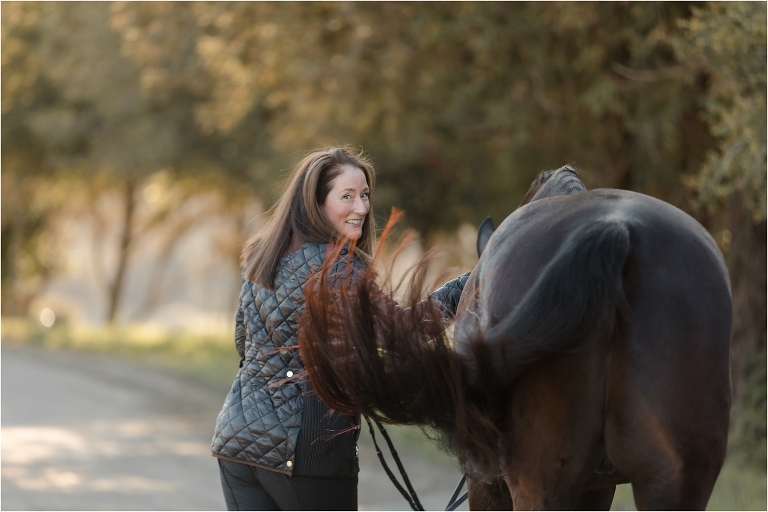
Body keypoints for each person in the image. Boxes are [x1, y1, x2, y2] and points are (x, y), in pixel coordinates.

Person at [211, 147, 469, 510]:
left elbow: (243, 342)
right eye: (346, 197)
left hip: (238, 441)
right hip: (306, 453)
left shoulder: (262, 254)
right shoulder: (338, 269)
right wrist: (469, 284)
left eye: (364, 195)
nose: (361, 208)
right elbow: (402, 332)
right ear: (315, 204)